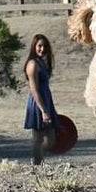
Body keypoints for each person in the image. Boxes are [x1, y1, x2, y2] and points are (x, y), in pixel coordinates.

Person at [23, 34, 59, 165]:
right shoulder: (32, 64)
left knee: (51, 139)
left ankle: (37, 159)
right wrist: (43, 110)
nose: (42, 49)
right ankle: (36, 164)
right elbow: (34, 90)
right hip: (37, 103)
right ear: (34, 46)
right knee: (38, 138)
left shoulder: (42, 63)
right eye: (39, 46)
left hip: (46, 100)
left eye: (44, 46)